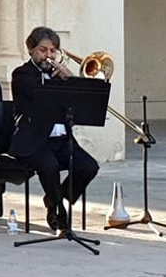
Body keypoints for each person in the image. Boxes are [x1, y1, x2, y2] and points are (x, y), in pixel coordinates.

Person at [9, 26, 101, 232]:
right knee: (49, 167)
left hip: (61, 140)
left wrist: (72, 80)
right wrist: (63, 81)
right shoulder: (22, 74)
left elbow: (81, 102)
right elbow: (43, 95)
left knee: (88, 167)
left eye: (53, 51)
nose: (48, 55)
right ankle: (59, 213)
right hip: (34, 140)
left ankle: (53, 198)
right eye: (43, 50)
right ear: (31, 50)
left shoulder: (59, 76)